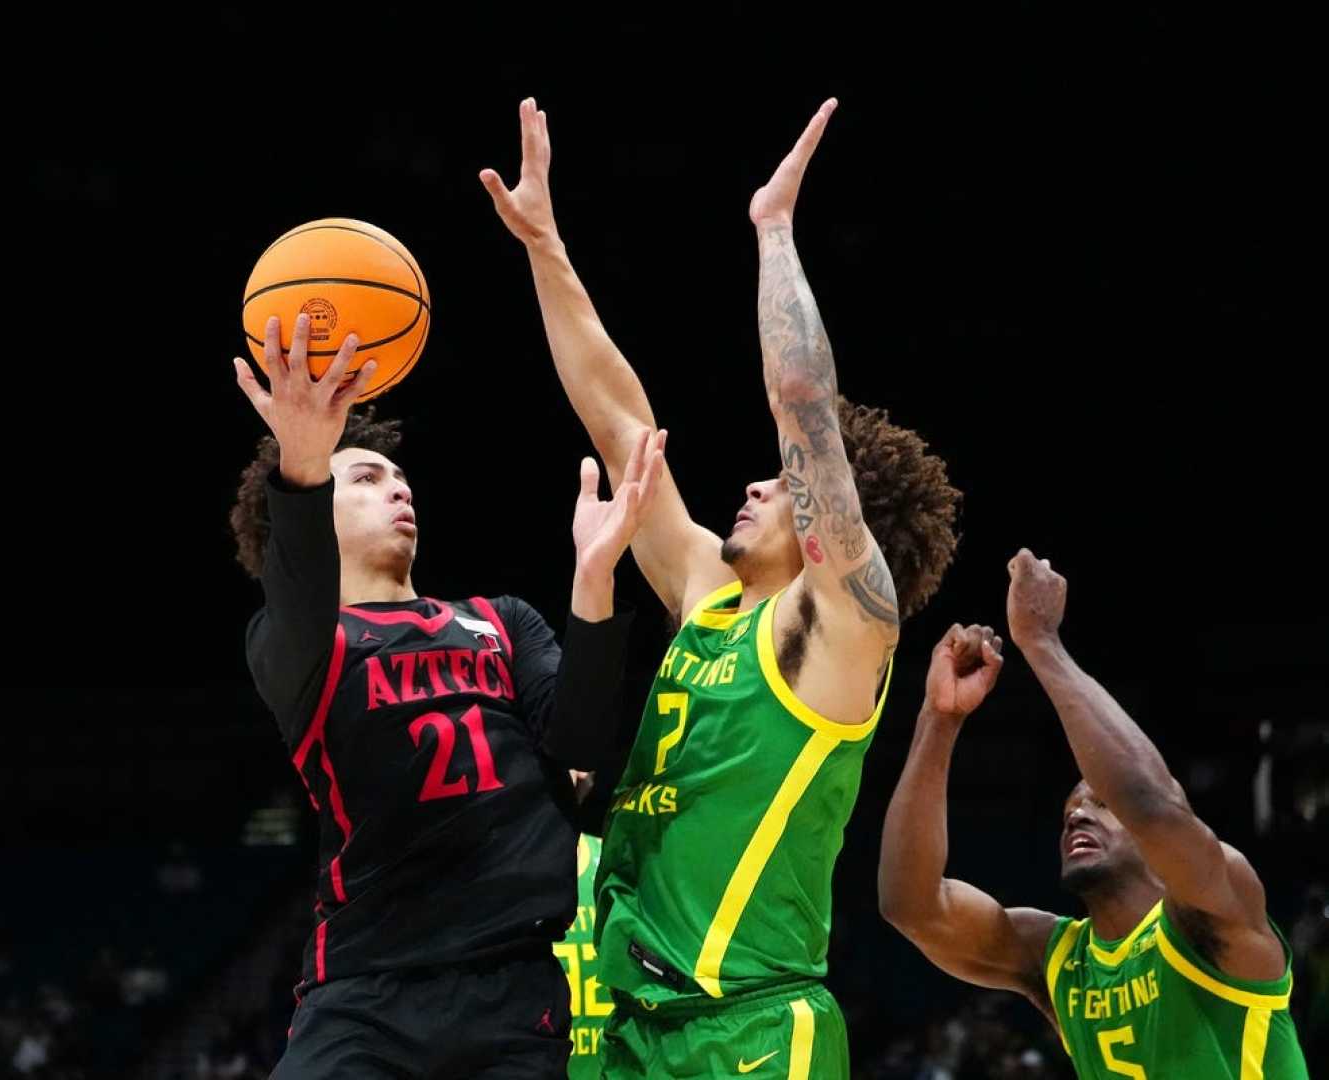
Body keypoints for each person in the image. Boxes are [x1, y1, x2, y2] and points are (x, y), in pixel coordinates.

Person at [482, 97, 961, 1076]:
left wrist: (774, 233)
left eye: (780, 485)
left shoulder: (838, 636)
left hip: (745, 1030)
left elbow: (806, 412)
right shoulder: (709, 594)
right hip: (625, 1024)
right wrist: (544, 245)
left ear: (836, 524)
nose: (755, 482)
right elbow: (623, 428)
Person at [229, 314, 665, 1078]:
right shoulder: (301, 646)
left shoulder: (500, 621)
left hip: (515, 986)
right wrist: (302, 455)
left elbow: (583, 746)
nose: (398, 489)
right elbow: (295, 585)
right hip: (366, 993)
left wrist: (593, 583)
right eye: (366, 479)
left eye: (400, 479)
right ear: (310, 515)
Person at [878, 549, 1309, 1078]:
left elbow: (1151, 806)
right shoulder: (1056, 958)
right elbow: (911, 904)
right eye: (1069, 811)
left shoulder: (1216, 911)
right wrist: (939, 719)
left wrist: (1042, 645)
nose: (1078, 815)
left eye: (1100, 803)